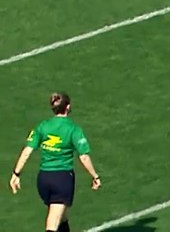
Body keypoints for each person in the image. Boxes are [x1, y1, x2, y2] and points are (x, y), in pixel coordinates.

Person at [9, 93, 101, 232]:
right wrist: (95, 176)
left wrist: (16, 174)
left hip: (44, 179)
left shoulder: (43, 126)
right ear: (68, 107)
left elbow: (27, 150)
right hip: (62, 180)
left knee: (62, 218)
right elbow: (84, 157)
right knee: (52, 225)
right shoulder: (73, 129)